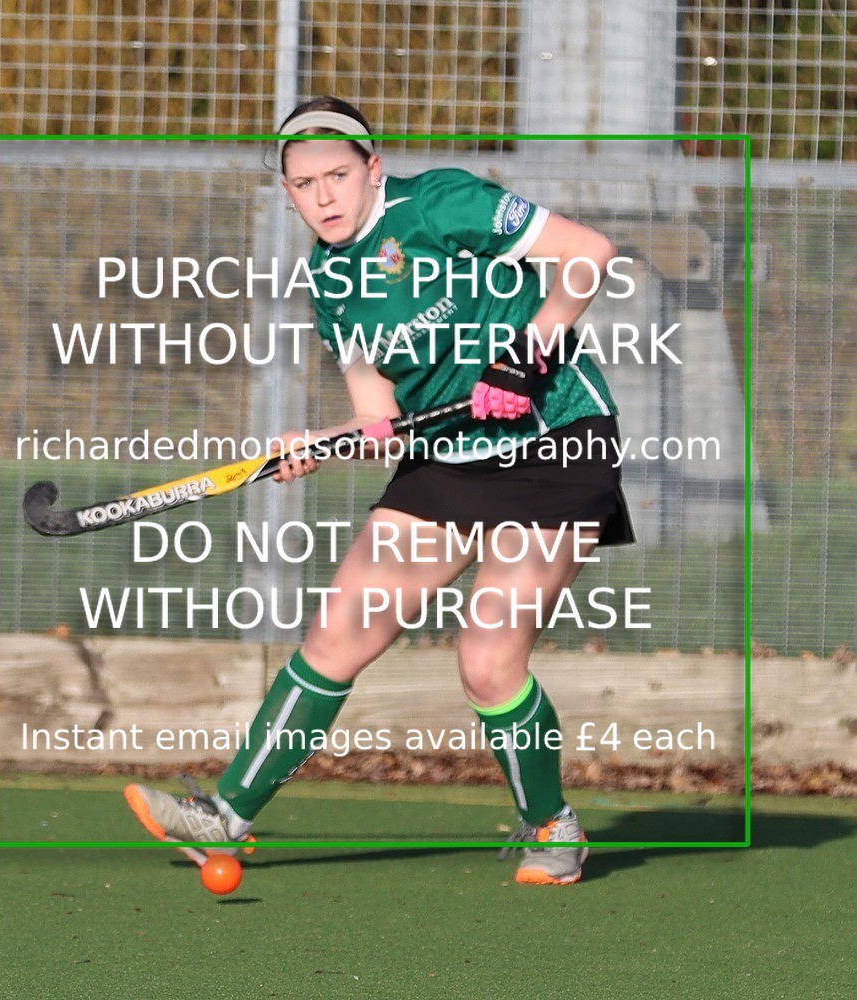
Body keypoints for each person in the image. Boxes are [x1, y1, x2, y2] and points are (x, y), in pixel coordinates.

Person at [124, 96, 634, 885]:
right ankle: (223, 818)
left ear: (372, 168)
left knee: (488, 659)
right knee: (335, 637)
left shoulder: (439, 203)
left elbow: (588, 254)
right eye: (302, 183)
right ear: (286, 191)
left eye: (336, 175)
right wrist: (313, 444)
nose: (322, 197)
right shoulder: (329, 278)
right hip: (448, 453)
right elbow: (378, 416)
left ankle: (551, 828)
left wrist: (522, 356)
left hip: (553, 439)